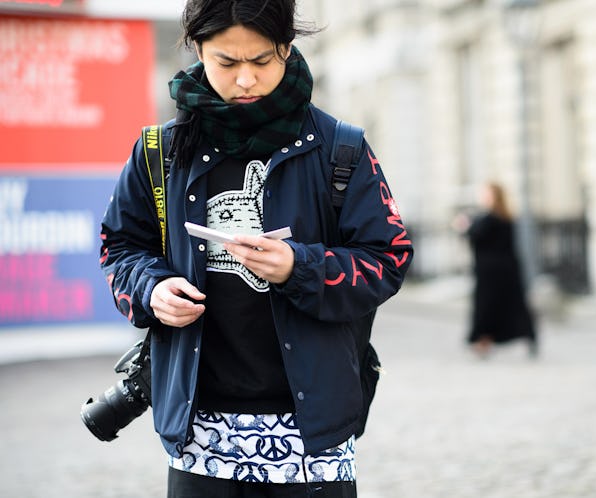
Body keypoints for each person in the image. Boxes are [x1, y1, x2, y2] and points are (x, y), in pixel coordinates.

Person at [98, 1, 413, 496]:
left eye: (262, 61)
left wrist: (300, 267)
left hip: (314, 435)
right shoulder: (158, 151)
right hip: (198, 431)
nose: (245, 79)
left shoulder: (341, 148)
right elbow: (119, 246)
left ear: (287, 48)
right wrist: (152, 288)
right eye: (226, 62)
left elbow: (388, 258)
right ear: (198, 49)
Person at [458, 182, 537, 358]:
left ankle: (484, 342)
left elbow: (474, 235)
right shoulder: (506, 218)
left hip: (490, 273)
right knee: (509, 307)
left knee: (487, 308)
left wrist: (464, 226)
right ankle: (522, 338)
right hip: (507, 270)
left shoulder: (490, 219)